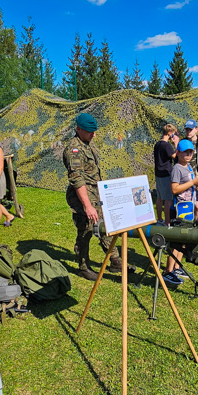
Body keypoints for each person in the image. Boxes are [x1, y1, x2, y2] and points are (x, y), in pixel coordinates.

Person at [63, 113, 126, 280]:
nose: (94, 134)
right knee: (86, 229)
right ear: (78, 129)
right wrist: (87, 205)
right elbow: (77, 178)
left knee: (106, 225)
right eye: (90, 131)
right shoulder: (74, 149)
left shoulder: (88, 144)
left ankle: (114, 260)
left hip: (96, 193)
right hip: (83, 195)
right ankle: (83, 266)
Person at [162, 139, 198, 284]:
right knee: (176, 241)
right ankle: (168, 271)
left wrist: (197, 184)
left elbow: (188, 185)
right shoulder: (177, 169)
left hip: (187, 208)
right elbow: (174, 189)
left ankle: (176, 267)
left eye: (190, 151)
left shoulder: (188, 167)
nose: (188, 154)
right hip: (178, 209)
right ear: (178, 153)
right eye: (185, 151)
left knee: (184, 240)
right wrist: (193, 182)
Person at [153, 124, 179, 225]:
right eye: (174, 133)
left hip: (158, 173)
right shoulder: (166, 145)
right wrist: (176, 143)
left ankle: (159, 219)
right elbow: (175, 157)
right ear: (170, 133)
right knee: (168, 199)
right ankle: (167, 222)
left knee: (159, 198)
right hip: (166, 174)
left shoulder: (157, 144)